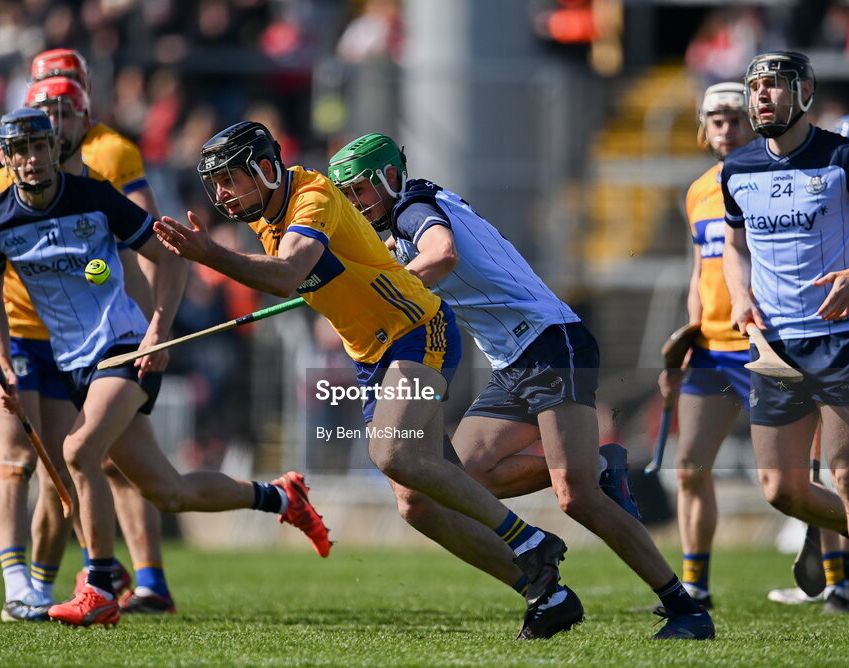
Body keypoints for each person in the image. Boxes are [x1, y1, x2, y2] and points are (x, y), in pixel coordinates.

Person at [157, 120, 669, 640]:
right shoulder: (264, 217)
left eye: (229, 179)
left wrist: (211, 257)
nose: (220, 194)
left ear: (266, 169)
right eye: (214, 184)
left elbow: (291, 273)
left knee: (392, 452)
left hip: (416, 330)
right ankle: (545, 592)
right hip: (372, 354)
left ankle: (532, 541)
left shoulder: (312, 197)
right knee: (416, 502)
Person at [326, 132, 713, 640]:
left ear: (389, 178)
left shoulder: (412, 209)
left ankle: (683, 608)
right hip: (513, 361)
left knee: (575, 497)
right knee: (453, 483)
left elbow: (441, 254)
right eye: (346, 196)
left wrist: (384, 284)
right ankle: (596, 474)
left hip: (553, 345)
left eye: (360, 191)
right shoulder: (402, 218)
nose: (356, 204)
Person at [0, 109, 330, 629]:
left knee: (78, 449)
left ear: (57, 149)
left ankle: (97, 585)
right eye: (19, 150)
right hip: (70, 364)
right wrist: (4, 369)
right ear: (5, 158)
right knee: (168, 491)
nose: (31, 159)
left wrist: (156, 332)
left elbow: (169, 260)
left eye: (40, 147)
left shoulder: (93, 197)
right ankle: (281, 496)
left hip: (123, 349)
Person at [721, 50, 849, 638]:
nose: (761, 96)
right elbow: (734, 246)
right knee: (781, 488)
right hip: (775, 349)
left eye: (774, 86)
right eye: (754, 86)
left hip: (842, 338)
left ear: (804, 92)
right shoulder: (737, 169)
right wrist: (738, 297)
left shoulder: (847, 159)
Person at [30, 48, 174, 615]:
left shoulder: (111, 149)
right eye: (46, 93)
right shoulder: (25, 155)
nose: (56, 110)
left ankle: (134, 579)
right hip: (57, 327)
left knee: (98, 456)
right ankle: (106, 575)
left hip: (111, 325)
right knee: (93, 461)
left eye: (67, 96)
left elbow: (141, 236)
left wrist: (144, 318)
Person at [653, 82, 757, 610]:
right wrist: (687, 338)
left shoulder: (772, 178)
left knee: (791, 483)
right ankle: (696, 584)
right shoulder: (697, 190)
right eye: (716, 118)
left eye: (736, 117)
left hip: (767, 346)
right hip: (713, 349)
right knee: (689, 467)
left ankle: (838, 575)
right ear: (702, 125)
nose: (725, 127)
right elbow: (701, 271)